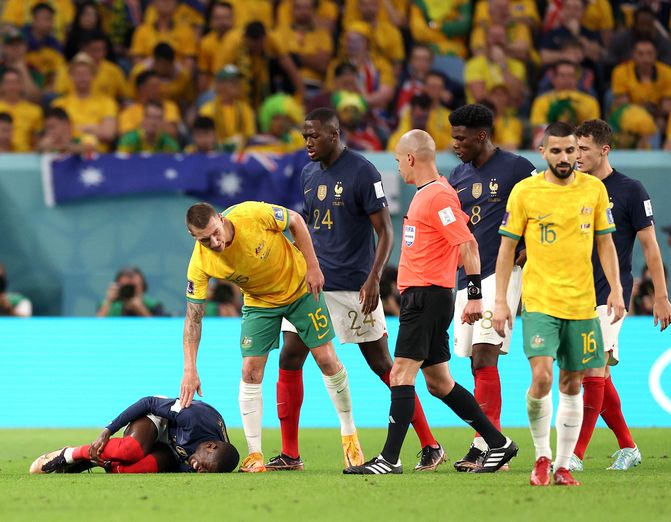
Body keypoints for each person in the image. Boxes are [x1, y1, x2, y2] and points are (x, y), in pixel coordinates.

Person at [273, 108, 443, 472]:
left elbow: (386, 231)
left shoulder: (363, 171)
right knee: (289, 356)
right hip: (314, 286)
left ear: (334, 135)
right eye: (304, 136)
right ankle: (290, 454)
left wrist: (374, 278)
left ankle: (430, 444)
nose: (307, 143)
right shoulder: (307, 173)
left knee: (384, 365)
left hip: (354, 287)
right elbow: (310, 229)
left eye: (313, 136)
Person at [344, 130, 518, 475]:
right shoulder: (431, 194)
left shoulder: (437, 196)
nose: (397, 166)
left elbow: (468, 244)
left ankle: (389, 459)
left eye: (397, 160)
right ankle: (498, 443)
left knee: (400, 373)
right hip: (427, 295)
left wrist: (473, 296)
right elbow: (453, 247)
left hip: (426, 298)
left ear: (410, 158)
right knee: (439, 382)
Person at [180, 201, 363, 473]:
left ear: (220, 218)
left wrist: (313, 267)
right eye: (205, 240)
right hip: (259, 302)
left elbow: (296, 221)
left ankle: (350, 435)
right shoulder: (200, 264)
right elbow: (193, 318)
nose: (215, 242)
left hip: (300, 287)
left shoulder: (251, 214)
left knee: (325, 358)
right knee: (250, 370)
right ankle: (255, 454)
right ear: (194, 237)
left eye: (216, 232)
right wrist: (190, 369)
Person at [493, 121, 625, 487]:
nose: (565, 158)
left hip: (583, 306)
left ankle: (563, 465)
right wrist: (502, 302)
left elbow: (605, 244)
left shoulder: (594, 190)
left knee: (571, 384)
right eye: (557, 151)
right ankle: (542, 457)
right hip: (540, 302)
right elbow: (506, 249)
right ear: (543, 152)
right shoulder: (525, 192)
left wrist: (616, 288)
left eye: (571, 150)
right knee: (542, 377)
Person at [570, 119, 671, 472]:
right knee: (598, 375)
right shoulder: (571, 188)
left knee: (591, 368)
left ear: (604, 149)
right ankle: (628, 447)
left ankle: (575, 455)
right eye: (574, 148)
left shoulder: (631, 190)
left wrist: (660, 295)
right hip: (572, 295)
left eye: (583, 149)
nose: (577, 155)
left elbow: (651, 247)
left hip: (611, 295)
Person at [447, 104, 536, 471]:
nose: (455, 144)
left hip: (501, 274)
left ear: (481, 135)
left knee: (485, 354)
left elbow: (542, 208)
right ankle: (482, 441)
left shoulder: (518, 168)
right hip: (465, 277)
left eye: (461, 138)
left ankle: (493, 445)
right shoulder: (456, 175)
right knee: (472, 361)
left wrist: (529, 247)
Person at [29, 396, 239, 474]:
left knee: (130, 468)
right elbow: (148, 402)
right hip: (159, 420)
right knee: (130, 451)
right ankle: (71, 454)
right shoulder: (193, 418)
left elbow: (179, 464)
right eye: (205, 466)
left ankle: (93, 462)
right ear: (212, 446)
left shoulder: (216, 460)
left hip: (172, 448)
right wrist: (108, 431)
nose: (200, 470)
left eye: (205, 472)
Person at [96, 266, 165, 317]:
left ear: (143, 287)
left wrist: (141, 309)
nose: (130, 291)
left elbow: (158, 331)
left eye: (133, 287)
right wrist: (109, 301)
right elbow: (97, 328)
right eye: (126, 287)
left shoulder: (153, 305)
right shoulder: (108, 306)